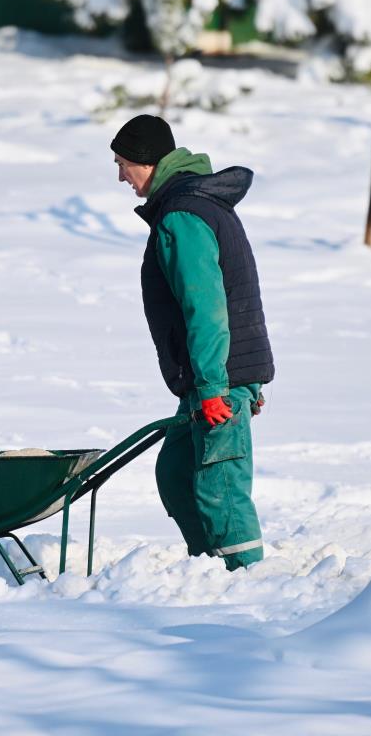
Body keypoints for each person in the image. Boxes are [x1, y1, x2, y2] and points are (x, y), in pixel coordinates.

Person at [111, 114, 275, 570]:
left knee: (218, 484)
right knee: (178, 474)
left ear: (148, 162)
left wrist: (214, 386)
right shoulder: (194, 205)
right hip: (213, 375)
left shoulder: (183, 215)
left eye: (124, 163)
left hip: (213, 379)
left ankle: (247, 583)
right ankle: (206, 570)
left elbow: (206, 308)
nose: (121, 175)